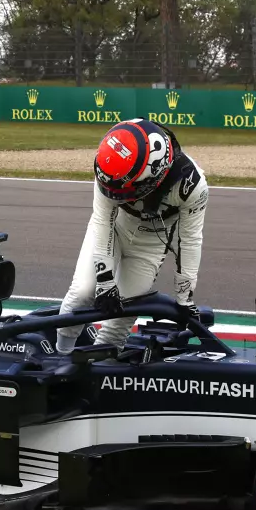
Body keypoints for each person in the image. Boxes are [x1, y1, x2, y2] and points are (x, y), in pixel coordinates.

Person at [54, 117, 209, 355]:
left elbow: (189, 240)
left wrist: (185, 296)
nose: (113, 194)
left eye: (125, 191)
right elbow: (102, 219)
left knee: (120, 320)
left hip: (150, 246)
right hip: (111, 228)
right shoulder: (110, 167)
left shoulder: (192, 185)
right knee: (83, 293)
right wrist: (105, 281)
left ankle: (99, 374)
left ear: (155, 176)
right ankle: (59, 354)